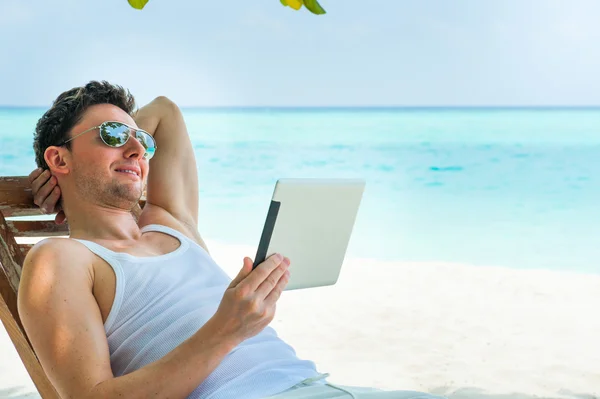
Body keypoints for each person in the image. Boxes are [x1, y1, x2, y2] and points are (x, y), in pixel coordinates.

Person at [20, 81, 445, 399]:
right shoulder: (62, 259)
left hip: (314, 384)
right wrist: (226, 330)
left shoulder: (170, 224)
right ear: (58, 158)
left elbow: (165, 111)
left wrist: (117, 141)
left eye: (142, 142)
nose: (137, 150)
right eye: (112, 136)